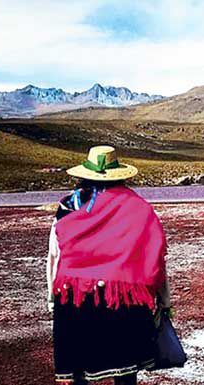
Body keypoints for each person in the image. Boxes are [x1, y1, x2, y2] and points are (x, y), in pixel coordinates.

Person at [46, 145, 172, 385]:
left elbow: (55, 253)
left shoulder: (68, 205)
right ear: (120, 174)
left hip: (75, 295)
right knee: (125, 371)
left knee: (77, 371)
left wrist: (53, 296)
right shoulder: (138, 207)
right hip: (123, 296)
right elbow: (154, 255)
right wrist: (164, 301)